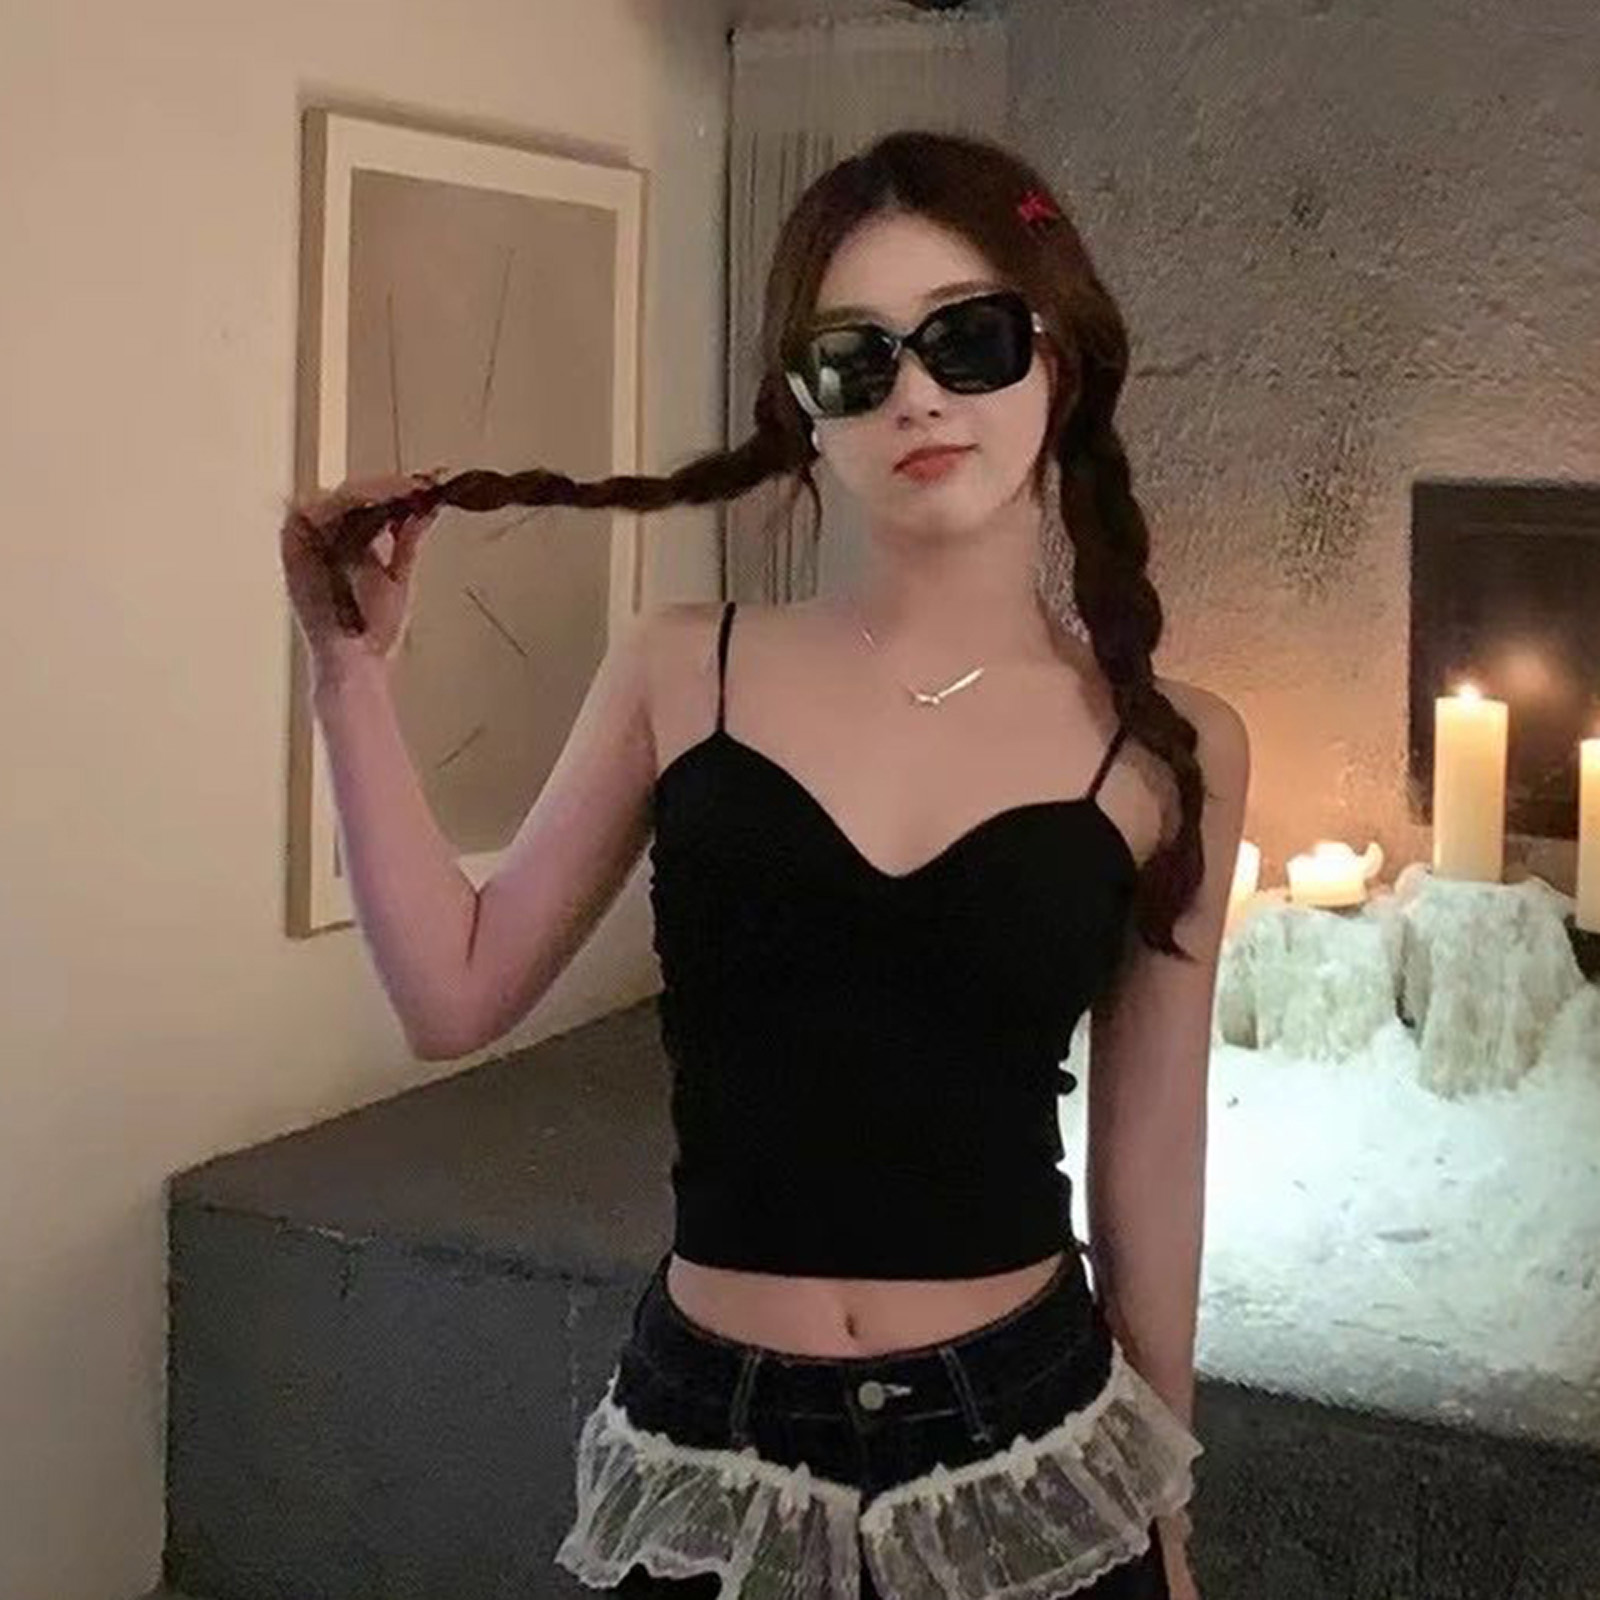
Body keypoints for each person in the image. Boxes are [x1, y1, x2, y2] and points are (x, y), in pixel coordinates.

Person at [280, 129, 1250, 1600]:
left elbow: (1152, 1156)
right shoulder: (685, 668)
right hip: (716, 1450)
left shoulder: (1174, 749)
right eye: (855, 360)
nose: (916, 394)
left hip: (1029, 1437)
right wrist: (348, 675)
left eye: (969, 340)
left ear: (1058, 359)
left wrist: (1164, 1507)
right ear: (805, 412)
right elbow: (451, 994)